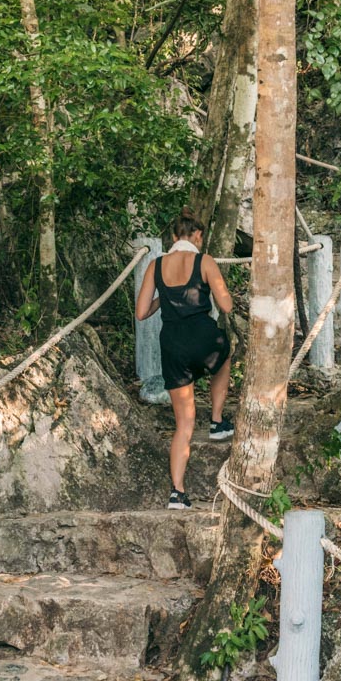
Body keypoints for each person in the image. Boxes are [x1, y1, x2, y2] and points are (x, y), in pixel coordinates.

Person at [135, 207, 234, 510]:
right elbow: (226, 305)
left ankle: (177, 493)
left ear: (173, 236)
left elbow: (141, 313)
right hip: (203, 337)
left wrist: (165, 298)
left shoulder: (156, 264)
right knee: (224, 354)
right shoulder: (204, 261)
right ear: (196, 235)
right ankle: (217, 421)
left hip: (173, 343)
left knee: (184, 424)